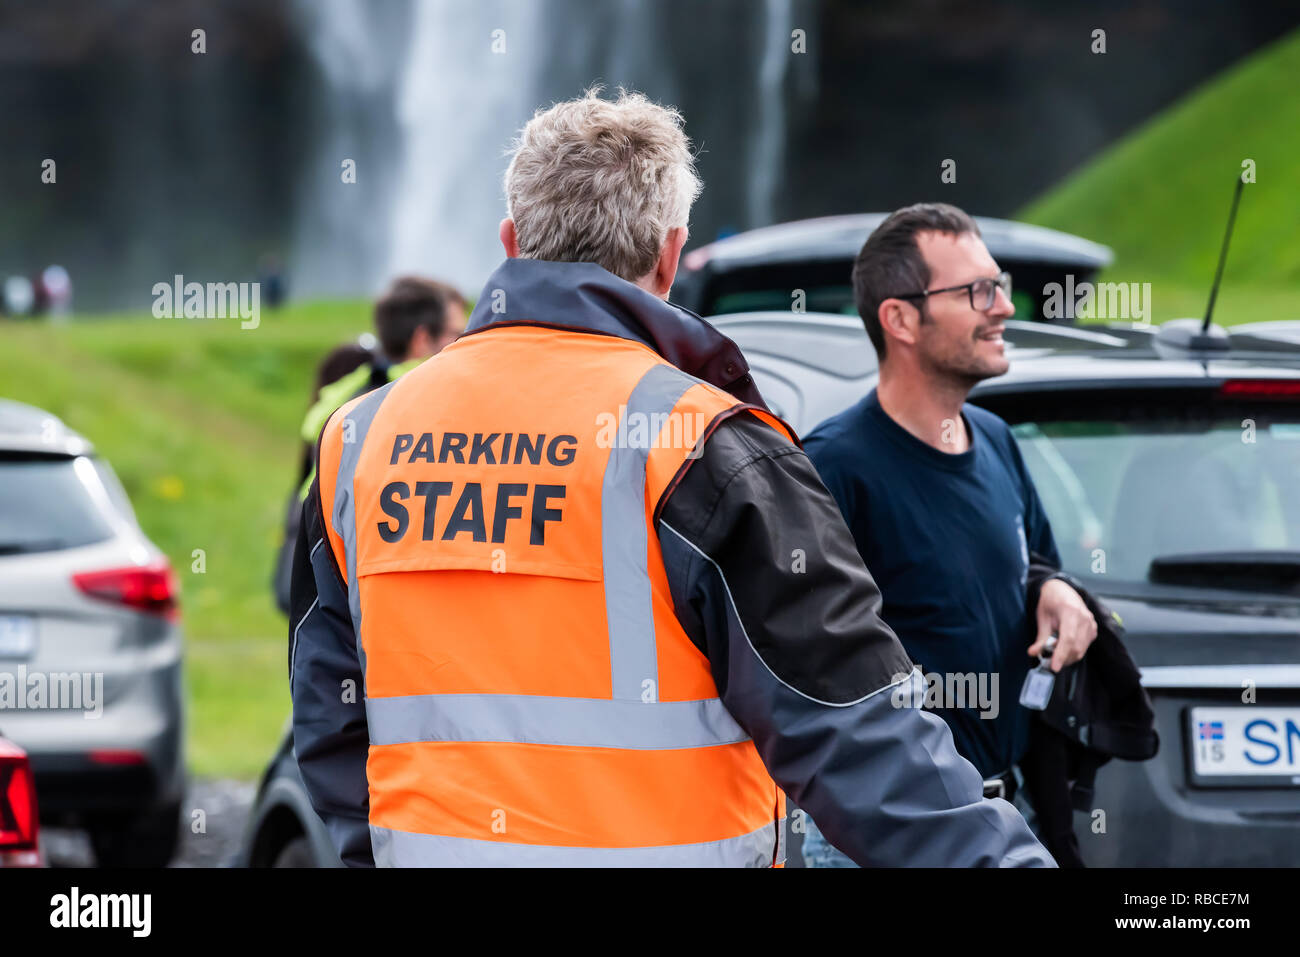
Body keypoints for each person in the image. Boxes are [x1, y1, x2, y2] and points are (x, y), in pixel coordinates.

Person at [289, 91, 1053, 867]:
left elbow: (329, 715)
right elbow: (859, 727)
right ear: (671, 252)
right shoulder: (705, 444)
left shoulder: (361, 438)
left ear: (511, 240)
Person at [798, 202, 1099, 866]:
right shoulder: (833, 467)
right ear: (900, 319)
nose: (1005, 307)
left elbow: (1034, 560)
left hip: (1005, 815)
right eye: (978, 291)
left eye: (1001, 283)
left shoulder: (994, 437)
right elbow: (808, 670)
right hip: (884, 834)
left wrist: (1056, 590)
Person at [272, 278, 467, 614]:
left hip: (320, 557)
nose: (465, 345)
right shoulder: (434, 400)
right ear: (423, 339)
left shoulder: (348, 392)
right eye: (456, 335)